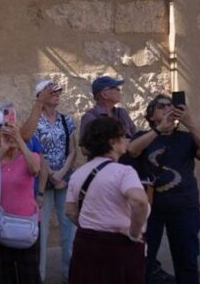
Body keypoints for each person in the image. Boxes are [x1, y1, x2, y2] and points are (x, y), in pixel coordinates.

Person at [128, 95, 200, 284]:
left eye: (172, 105)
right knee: (144, 259)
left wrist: (190, 123)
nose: (169, 109)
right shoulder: (143, 136)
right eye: (162, 106)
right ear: (151, 115)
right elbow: (132, 150)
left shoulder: (187, 138)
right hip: (150, 208)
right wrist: (158, 130)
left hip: (184, 207)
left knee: (187, 260)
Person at [65, 117, 149, 284]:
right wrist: (133, 233)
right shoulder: (124, 172)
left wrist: (93, 226)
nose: (127, 139)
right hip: (119, 248)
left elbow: (70, 212)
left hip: (86, 245)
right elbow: (139, 201)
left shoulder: (78, 174)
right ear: (112, 142)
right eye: (123, 136)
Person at [20, 80, 77, 282]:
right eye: (52, 92)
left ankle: (70, 274)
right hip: (42, 182)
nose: (57, 94)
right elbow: (37, 153)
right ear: (40, 96)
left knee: (69, 230)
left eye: (58, 91)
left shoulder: (66, 120)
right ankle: (40, 277)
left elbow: (72, 150)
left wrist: (61, 174)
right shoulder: (35, 122)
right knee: (41, 232)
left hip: (64, 180)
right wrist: (51, 175)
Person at [0, 124, 41, 284]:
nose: (10, 137)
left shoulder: (30, 157)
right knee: (5, 274)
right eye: (5, 134)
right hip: (1, 224)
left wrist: (20, 141)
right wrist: (2, 151)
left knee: (30, 275)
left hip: (27, 224)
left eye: (12, 133)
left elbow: (35, 170)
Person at [79, 76, 136, 148]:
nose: (119, 90)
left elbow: (135, 136)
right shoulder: (90, 117)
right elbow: (85, 149)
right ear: (104, 94)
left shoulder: (122, 113)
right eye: (115, 88)